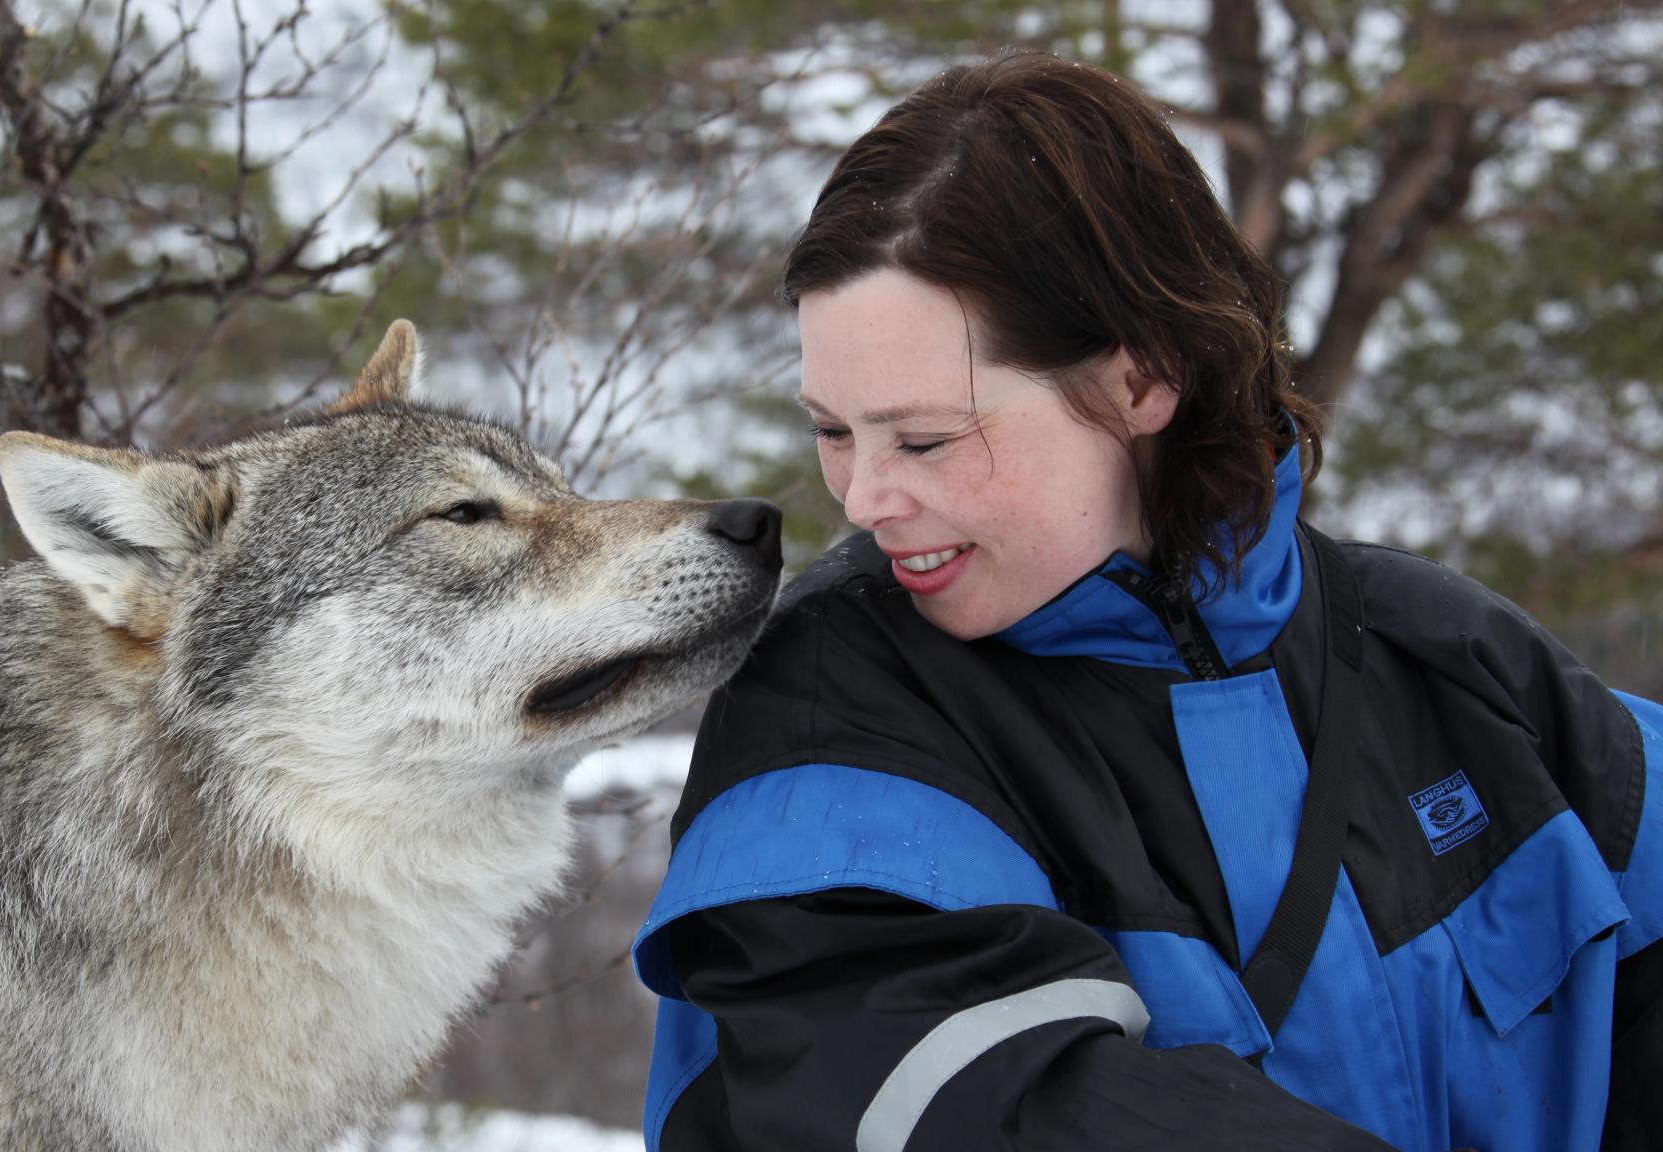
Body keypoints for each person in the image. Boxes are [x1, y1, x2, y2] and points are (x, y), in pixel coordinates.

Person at [631, 51, 1662, 1152]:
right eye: (832, 431)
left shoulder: (1450, 662)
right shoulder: (832, 719)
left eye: (924, 438)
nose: (865, 499)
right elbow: (983, 1109)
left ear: (1140, 378)